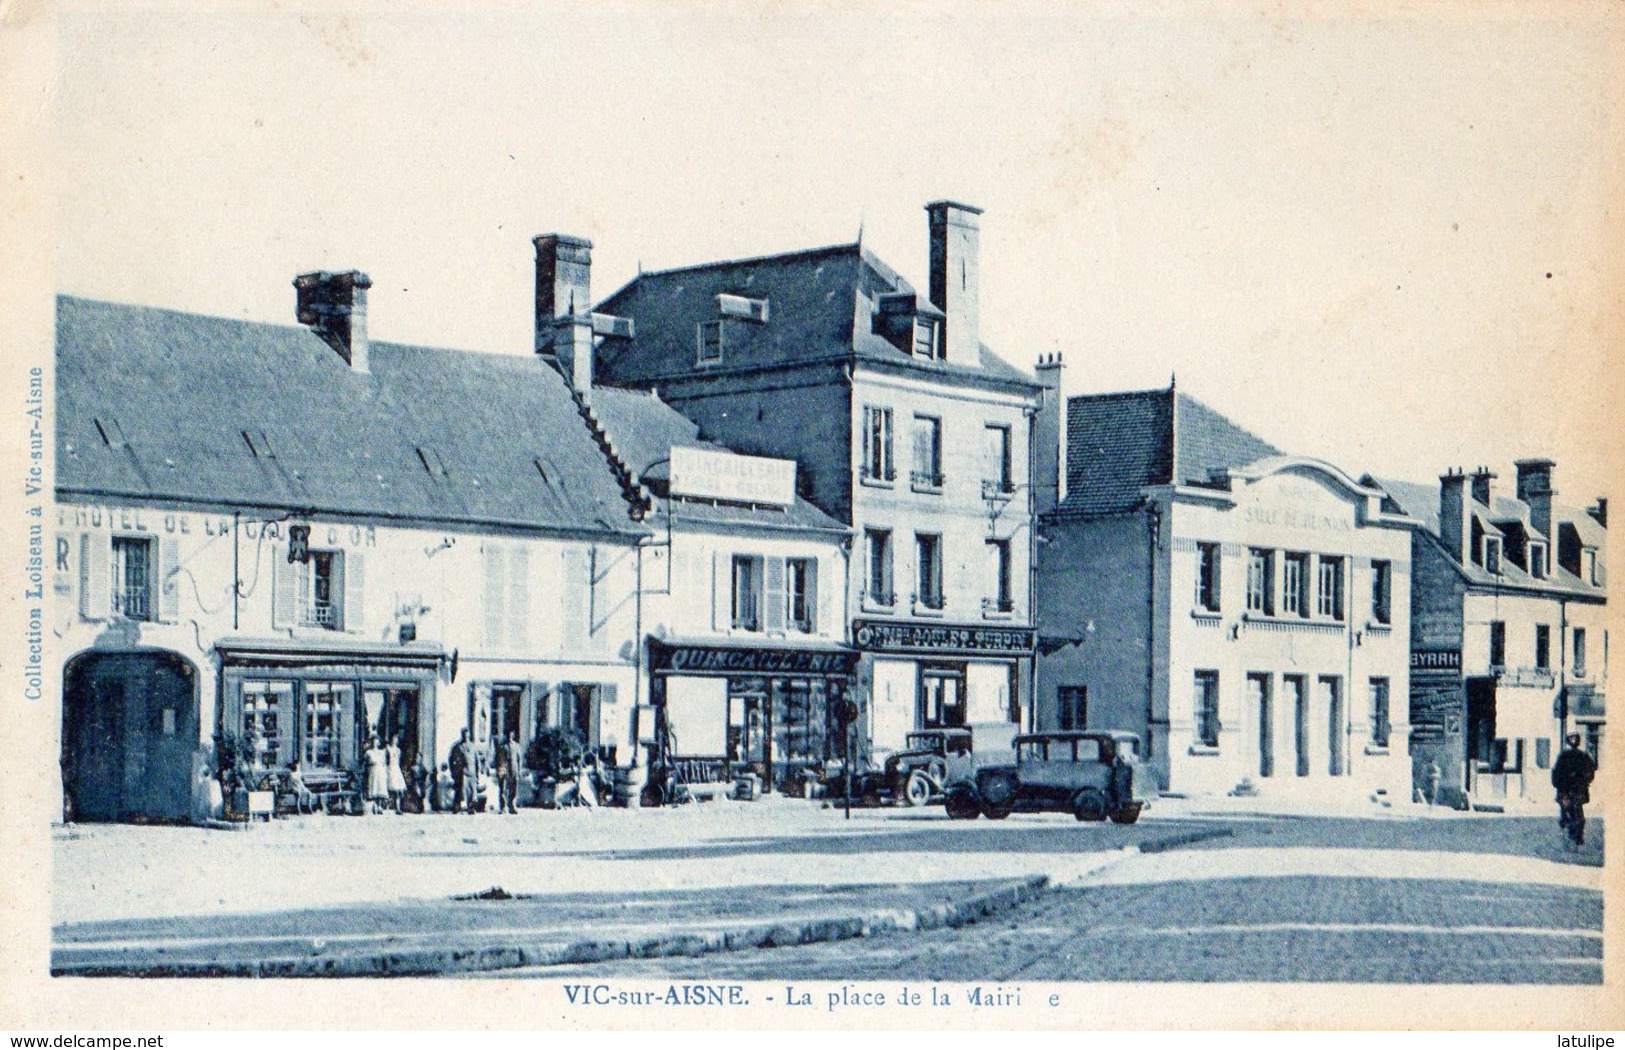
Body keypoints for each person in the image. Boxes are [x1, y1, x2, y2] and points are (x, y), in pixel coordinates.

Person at [1552, 734, 1597, 848]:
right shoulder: (1564, 756)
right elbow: (1556, 772)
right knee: (1566, 810)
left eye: (1575, 739)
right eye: (1571, 739)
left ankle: (1578, 834)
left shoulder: (1583, 756)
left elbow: (1590, 771)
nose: (1574, 742)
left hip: (1577, 789)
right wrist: (1558, 784)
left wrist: (1585, 780)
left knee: (1578, 813)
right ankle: (1567, 825)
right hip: (1566, 789)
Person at [449, 728, 479, 814]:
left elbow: (476, 761)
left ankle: (471, 808)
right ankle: (456, 807)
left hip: (471, 772)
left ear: (468, 735)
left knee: (472, 791)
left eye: (466, 734)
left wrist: (477, 773)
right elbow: (451, 760)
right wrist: (453, 771)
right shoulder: (457, 747)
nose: (465, 736)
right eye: (463, 734)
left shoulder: (473, 746)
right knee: (459, 790)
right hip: (460, 773)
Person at [494, 731, 521, 814]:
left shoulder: (516, 746)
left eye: (511, 735)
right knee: (503, 789)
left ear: (513, 736)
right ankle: (503, 807)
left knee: (513, 789)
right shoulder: (502, 746)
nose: (509, 737)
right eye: (508, 736)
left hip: (514, 770)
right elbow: (498, 759)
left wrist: (518, 771)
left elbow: (519, 759)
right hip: (505, 770)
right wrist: (500, 771)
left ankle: (512, 806)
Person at [362, 735, 389, 815]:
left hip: (380, 770)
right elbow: (364, 762)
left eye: (377, 741)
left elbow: (384, 763)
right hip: (373, 770)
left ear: (379, 743)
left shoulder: (382, 752)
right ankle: (374, 806)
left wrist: (386, 771)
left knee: (380, 787)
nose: (375, 743)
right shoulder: (369, 752)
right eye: (373, 741)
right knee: (374, 787)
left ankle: (379, 806)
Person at [385, 735, 407, 814]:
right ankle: (386, 806)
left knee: (399, 790)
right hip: (390, 768)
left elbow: (399, 761)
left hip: (396, 769)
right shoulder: (388, 749)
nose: (395, 741)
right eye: (394, 739)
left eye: (396, 740)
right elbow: (386, 759)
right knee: (389, 788)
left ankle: (398, 808)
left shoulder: (398, 750)